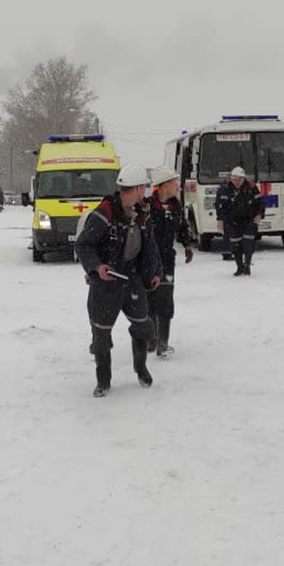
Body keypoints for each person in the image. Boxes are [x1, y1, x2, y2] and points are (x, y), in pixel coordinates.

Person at [75, 163, 162, 397]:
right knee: (101, 335)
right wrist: (97, 267)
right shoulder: (104, 214)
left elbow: (150, 246)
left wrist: (155, 272)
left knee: (143, 327)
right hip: (106, 284)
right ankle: (103, 380)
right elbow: (83, 245)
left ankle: (140, 367)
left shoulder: (142, 213)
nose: (145, 191)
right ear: (133, 189)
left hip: (132, 280)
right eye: (143, 187)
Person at [146, 166, 195, 358]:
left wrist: (188, 245)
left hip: (167, 260)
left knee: (165, 300)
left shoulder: (176, 206)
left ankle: (163, 343)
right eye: (174, 182)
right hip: (148, 261)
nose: (177, 186)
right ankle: (151, 338)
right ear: (164, 185)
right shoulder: (147, 206)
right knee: (149, 299)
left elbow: (182, 227)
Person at [214, 166, 264, 276]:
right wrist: (220, 220)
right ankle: (239, 266)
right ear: (231, 179)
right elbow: (219, 206)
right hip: (232, 221)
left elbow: (260, 202)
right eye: (235, 180)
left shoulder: (251, 187)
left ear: (243, 179)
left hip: (249, 220)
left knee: (248, 244)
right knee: (235, 246)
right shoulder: (224, 189)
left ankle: (247, 265)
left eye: (239, 180)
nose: (237, 182)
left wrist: (260, 214)